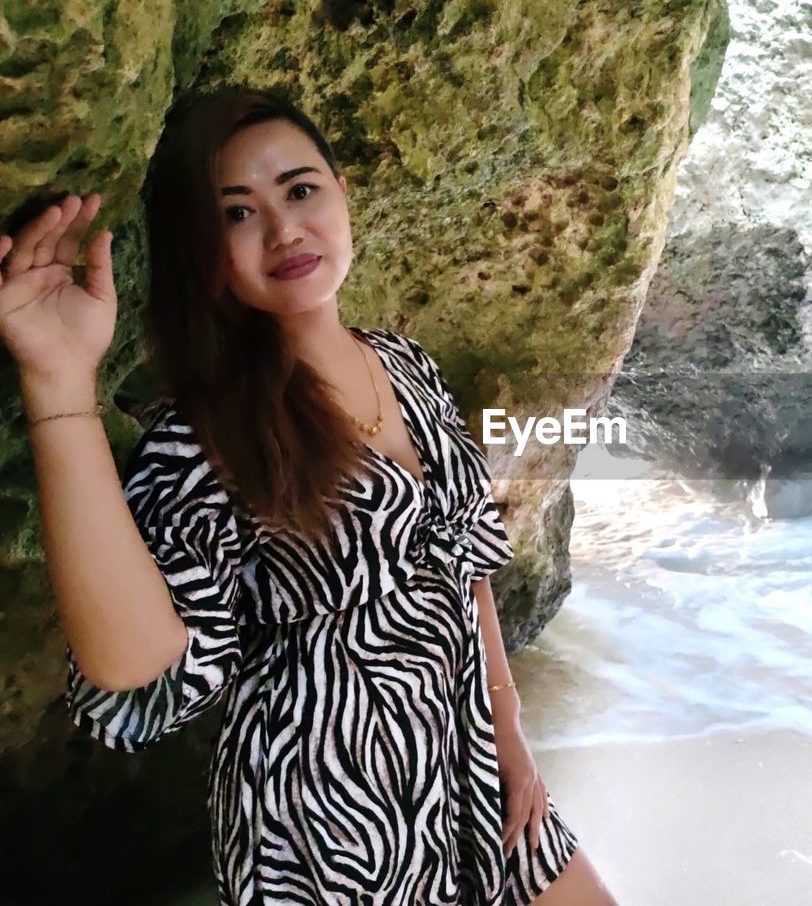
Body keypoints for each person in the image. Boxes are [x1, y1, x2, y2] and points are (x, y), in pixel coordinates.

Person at [0, 85, 618, 906]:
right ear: (205, 251)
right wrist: (59, 381)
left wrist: (512, 740)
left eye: (299, 190)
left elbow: (463, 564)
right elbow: (135, 665)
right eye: (237, 213)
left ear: (341, 194)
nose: (284, 228)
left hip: (465, 760)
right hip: (324, 812)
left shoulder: (405, 364)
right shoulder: (204, 433)